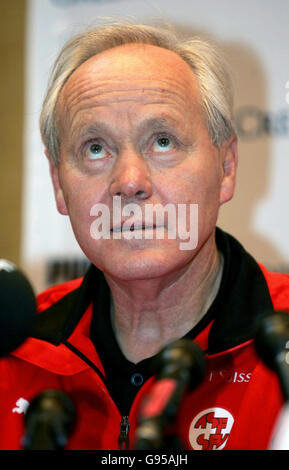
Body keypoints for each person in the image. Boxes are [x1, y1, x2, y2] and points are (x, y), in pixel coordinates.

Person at [1, 22, 289, 451]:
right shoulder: (14, 350)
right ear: (59, 185)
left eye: (162, 141)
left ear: (226, 167)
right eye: (95, 148)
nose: (130, 182)